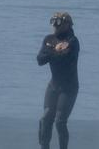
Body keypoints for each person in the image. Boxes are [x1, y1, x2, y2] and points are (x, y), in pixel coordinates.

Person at [37, 11, 79, 149]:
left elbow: (63, 58)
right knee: (45, 119)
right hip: (53, 85)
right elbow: (40, 60)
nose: (54, 25)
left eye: (58, 22)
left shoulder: (73, 41)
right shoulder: (48, 39)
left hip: (69, 88)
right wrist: (56, 49)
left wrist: (51, 51)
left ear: (67, 24)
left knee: (60, 122)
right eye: (52, 22)